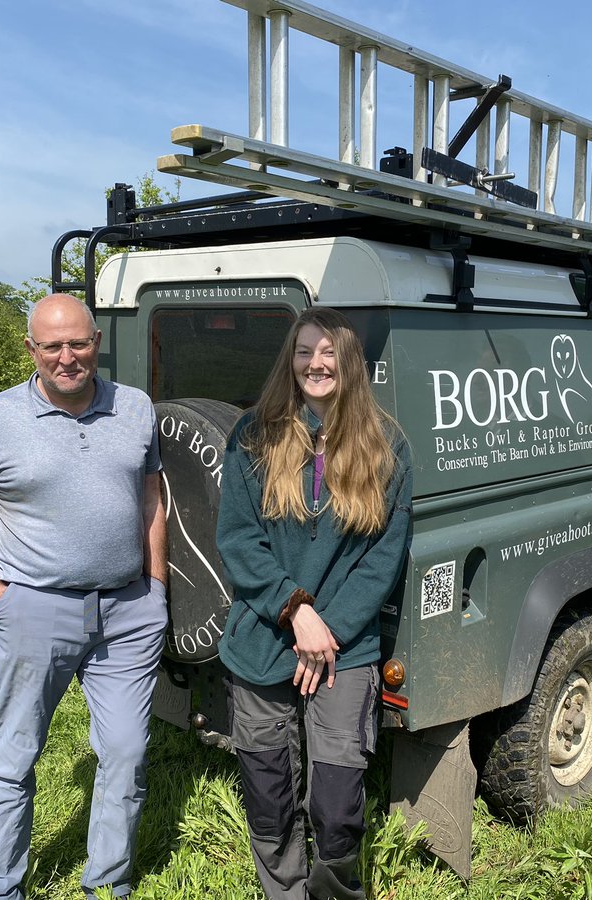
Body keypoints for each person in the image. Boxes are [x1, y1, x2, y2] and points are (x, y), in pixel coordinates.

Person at [0, 293, 168, 899]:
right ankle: (0, 890)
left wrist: (157, 589)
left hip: (128, 612)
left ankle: (107, 885)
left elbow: (151, 501)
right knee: (13, 760)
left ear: (97, 342)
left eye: (80, 343)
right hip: (35, 610)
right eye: (53, 346)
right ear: (31, 350)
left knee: (125, 754)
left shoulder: (136, 408)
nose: (69, 357)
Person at [215, 306, 413, 899]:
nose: (315, 364)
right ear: (290, 359)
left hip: (342, 651)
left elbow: (383, 557)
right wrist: (295, 610)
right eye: (304, 351)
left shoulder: (387, 446)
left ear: (349, 363)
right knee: (269, 799)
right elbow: (238, 539)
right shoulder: (254, 434)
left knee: (336, 806)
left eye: (328, 353)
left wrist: (328, 629)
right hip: (263, 640)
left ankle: (332, 892)